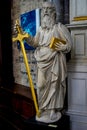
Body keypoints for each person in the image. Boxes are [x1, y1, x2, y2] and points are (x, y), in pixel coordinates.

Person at [14, 1, 72, 123]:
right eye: (44, 9)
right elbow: (35, 43)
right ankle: (44, 108)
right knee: (40, 85)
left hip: (55, 60)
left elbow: (69, 46)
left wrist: (61, 47)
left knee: (54, 86)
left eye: (48, 9)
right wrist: (25, 35)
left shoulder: (60, 28)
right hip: (42, 61)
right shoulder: (40, 29)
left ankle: (52, 110)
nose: (45, 12)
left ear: (53, 12)